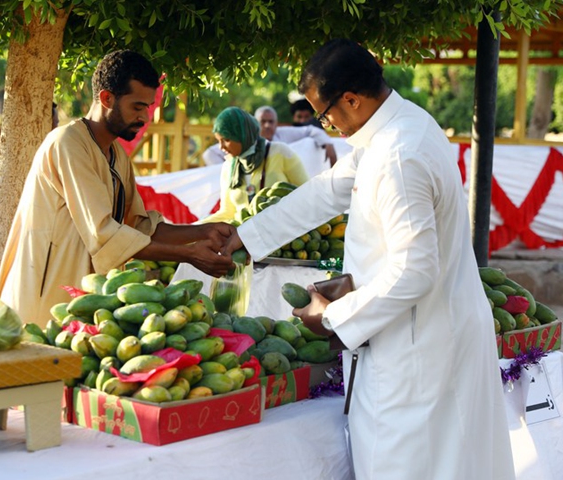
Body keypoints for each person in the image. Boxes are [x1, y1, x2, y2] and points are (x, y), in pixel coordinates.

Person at [222, 39, 514, 480]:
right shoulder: (398, 127)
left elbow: (415, 270)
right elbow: (329, 189)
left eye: (324, 114)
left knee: (409, 466)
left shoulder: (399, 155)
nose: (326, 123)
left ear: (352, 100)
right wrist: (246, 236)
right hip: (429, 332)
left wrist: (334, 314)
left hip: (421, 349)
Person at [0, 50, 235, 326]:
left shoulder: (117, 156)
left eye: (148, 107)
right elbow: (106, 234)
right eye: (137, 107)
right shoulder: (67, 143)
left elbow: (140, 228)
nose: (146, 117)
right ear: (107, 98)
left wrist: (203, 231)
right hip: (45, 300)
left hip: (87, 301)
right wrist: (190, 255)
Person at [202, 106, 308, 224]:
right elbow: (227, 213)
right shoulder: (228, 166)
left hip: (283, 235)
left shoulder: (280, 152)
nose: (221, 147)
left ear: (242, 135)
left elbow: (307, 194)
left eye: (226, 140)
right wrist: (191, 229)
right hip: (244, 238)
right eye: (218, 141)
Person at [202, 105, 337, 166]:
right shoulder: (245, 140)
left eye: (270, 122)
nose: (267, 125)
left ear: (276, 123)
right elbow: (209, 154)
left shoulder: (281, 135)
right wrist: (229, 171)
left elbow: (311, 130)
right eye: (263, 122)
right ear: (255, 124)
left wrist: (328, 143)